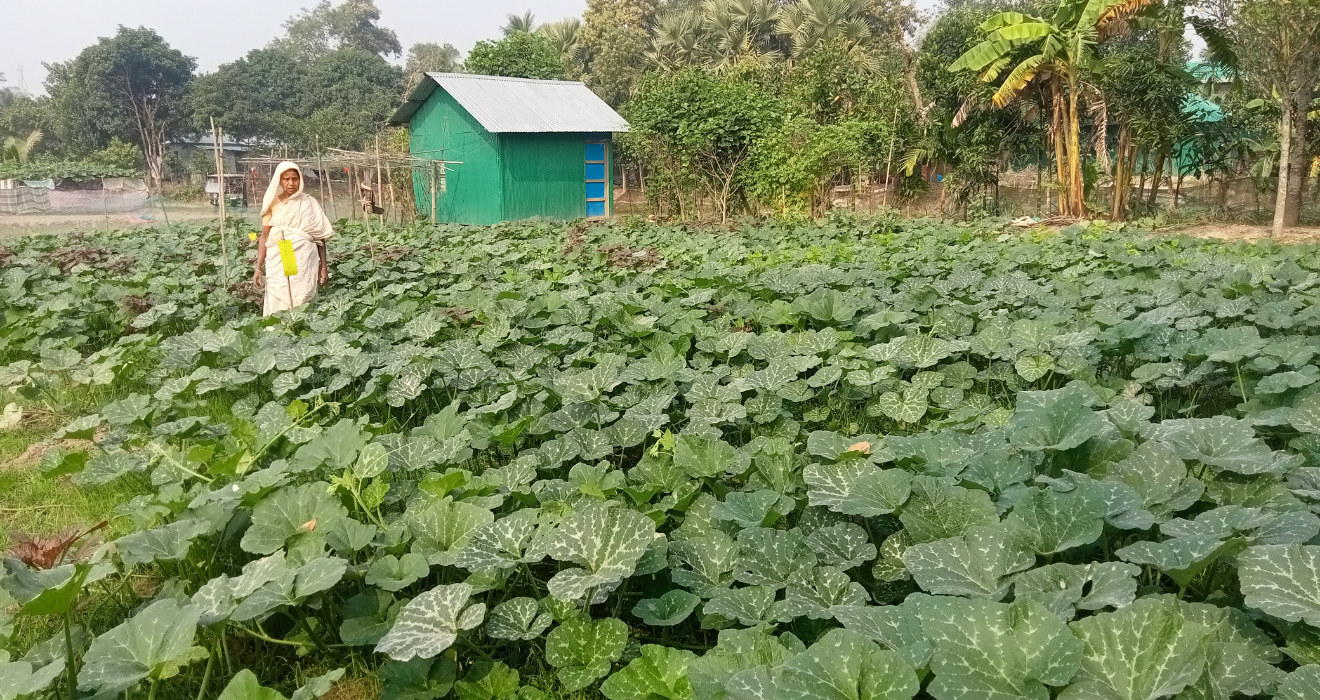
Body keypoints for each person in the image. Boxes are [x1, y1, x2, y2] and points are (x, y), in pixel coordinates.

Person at [253, 161, 333, 316]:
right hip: (283, 251)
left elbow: (320, 238)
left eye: (294, 179)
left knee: (302, 293)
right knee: (283, 291)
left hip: (304, 256)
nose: (291, 183)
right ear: (279, 180)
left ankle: (302, 328)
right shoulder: (272, 202)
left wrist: (323, 267)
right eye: (286, 179)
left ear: (300, 180)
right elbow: (264, 237)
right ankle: (280, 329)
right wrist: (258, 268)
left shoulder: (309, 202)